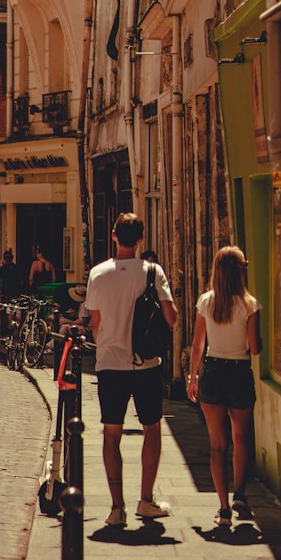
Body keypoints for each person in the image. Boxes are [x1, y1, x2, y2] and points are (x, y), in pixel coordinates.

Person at [84, 212, 178, 526]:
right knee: (151, 429)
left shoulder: (98, 274)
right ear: (140, 239)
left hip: (110, 363)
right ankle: (146, 500)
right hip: (146, 365)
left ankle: (116, 507)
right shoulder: (152, 272)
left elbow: (95, 326)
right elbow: (171, 318)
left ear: (114, 236)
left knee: (112, 433)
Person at [187, 246, 262, 528]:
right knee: (241, 438)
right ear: (240, 270)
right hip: (239, 371)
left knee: (217, 445)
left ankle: (222, 507)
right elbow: (255, 349)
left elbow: (198, 345)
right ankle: (239, 496)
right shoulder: (250, 304)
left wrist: (193, 378)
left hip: (214, 371)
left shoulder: (206, 302)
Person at [0, 249, 24, 335]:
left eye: (9, 258)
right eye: (6, 258)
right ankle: (5, 330)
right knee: (4, 312)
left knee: (15, 311)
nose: (7, 259)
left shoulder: (16, 268)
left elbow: (21, 280)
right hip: (5, 293)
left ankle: (14, 329)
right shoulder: (1, 269)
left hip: (15, 292)